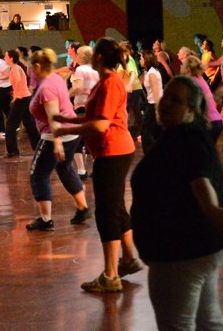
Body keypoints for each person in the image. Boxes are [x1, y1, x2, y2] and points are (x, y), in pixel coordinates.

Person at [130, 76, 223, 330]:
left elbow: (209, 204)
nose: (165, 103)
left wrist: (220, 216)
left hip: (182, 251)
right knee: (207, 320)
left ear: (191, 110)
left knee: (177, 325)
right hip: (199, 247)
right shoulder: (184, 135)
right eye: (166, 96)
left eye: (175, 100)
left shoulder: (186, 140)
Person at [53, 37, 142, 293]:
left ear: (100, 57)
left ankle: (111, 275)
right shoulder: (105, 82)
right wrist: (66, 119)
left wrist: (67, 129)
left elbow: (101, 124)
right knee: (116, 207)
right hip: (112, 150)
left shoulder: (110, 83)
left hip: (113, 150)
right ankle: (128, 259)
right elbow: (94, 116)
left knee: (106, 212)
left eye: (93, 53)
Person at [25, 49, 89, 230]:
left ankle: (45, 219)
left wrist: (58, 143)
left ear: (38, 66)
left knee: (38, 174)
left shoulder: (47, 88)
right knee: (64, 168)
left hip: (55, 135)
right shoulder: (56, 78)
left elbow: (54, 117)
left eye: (32, 68)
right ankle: (82, 207)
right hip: (72, 133)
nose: (30, 71)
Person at [69, 46, 99, 180]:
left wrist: (65, 95)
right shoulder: (96, 69)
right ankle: (95, 168)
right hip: (95, 107)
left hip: (82, 106)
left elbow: (78, 87)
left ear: (81, 56)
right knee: (91, 138)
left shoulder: (80, 70)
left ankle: (81, 170)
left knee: (77, 139)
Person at [4, 49, 39, 158]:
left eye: (6, 56)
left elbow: (19, 81)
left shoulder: (15, 68)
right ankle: (38, 147)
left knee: (10, 126)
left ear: (11, 58)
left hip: (22, 98)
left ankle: (12, 151)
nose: (4, 58)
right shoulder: (15, 68)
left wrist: (16, 96)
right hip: (25, 98)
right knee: (29, 124)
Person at [182, 55, 223, 146]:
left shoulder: (192, 81)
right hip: (216, 121)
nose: (181, 66)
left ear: (187, 68)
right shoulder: (200, 79)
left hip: (209, 123)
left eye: (183, 65)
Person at [139, 50, 163, 154]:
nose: (140, 60)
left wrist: (157, 111)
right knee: (157, 131)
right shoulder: (150, 72)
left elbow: (156, 92)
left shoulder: (152, 73)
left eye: (141, 58)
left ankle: (149, 155)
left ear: (146, 60)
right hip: (152, 104)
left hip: (154, 105)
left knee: (146, 131)